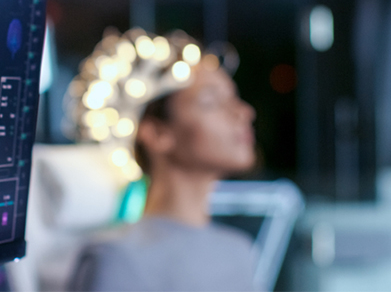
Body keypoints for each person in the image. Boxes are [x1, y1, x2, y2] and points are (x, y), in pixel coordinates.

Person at [68, 37, 260, 292]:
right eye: (211, 102)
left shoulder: (238, 251)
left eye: (234, 99)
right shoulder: (116, 259)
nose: (244, 112)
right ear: (157, 133)